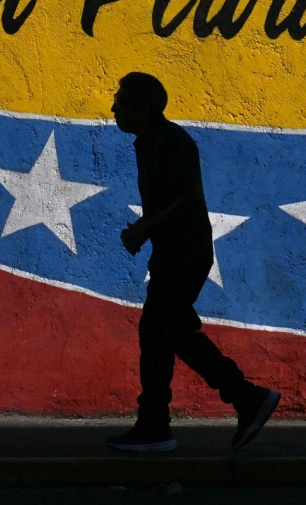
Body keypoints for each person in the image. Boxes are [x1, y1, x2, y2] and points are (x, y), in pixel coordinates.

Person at [106, 72, 280, 453]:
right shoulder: (148, 143)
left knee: (161, 331)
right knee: (165, 334)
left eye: (121, 100)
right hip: (172, 253)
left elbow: (189, 197)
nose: (114, 107)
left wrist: (143, 229)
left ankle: (236, 400)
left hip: (187, 254)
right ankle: (167, 421)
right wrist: (143, 229)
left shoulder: (171, 141)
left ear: (144, 107)